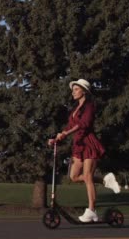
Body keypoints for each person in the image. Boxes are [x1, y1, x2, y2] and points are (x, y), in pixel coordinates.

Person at [48, 79, 120, 223]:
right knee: (74, 176)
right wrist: (57, 137)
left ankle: (92, 211)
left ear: (84, 91)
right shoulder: (76, 108)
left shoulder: (89, 106)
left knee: (87, 176)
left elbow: (84, 124)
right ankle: (105, 179)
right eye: (73, 89)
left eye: (76, 89)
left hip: (88, 142)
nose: (72, 91)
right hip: (78, 144)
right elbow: (70, 126)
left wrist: (66, 134)